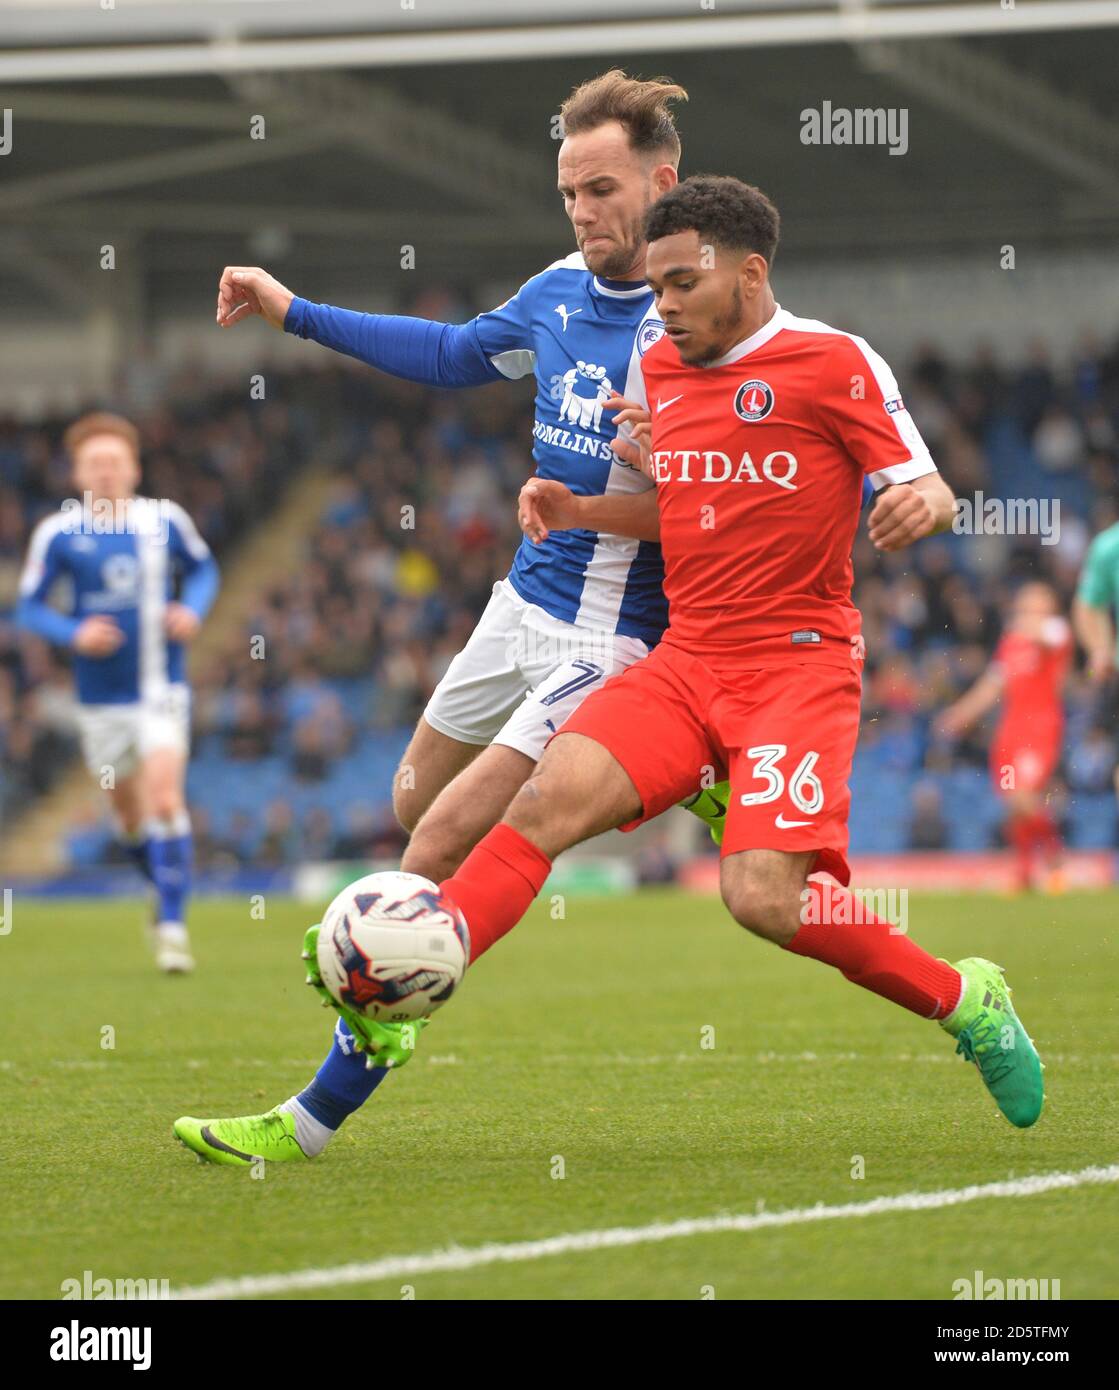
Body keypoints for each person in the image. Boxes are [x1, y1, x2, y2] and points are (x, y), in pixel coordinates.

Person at [176, 70, 734, 1164]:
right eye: (570, 190)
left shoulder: (701, 322)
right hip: (521, 602)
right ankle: (690, 783)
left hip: (612, 631)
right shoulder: (558, 289)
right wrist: (293, 310)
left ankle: (315, 1113)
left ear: (664, 183)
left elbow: (736, 500)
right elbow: (443, 356)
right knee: (410, 800)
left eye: (604, 189)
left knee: (436, 847)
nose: (583, 210)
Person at [423, 176, 1041, 1130]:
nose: (661, 307)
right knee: (539, 803)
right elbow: (682, 506)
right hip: (684, 658)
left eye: (678, 285)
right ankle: (426, 950)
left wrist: (928, 503)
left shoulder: (834, 361)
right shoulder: (661, 369)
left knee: (761, 899)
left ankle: (967, 1003)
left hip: (797, 665)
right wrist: (583, 504)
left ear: (747, 275)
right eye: (656, 287)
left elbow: (922, 483)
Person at [17, 412, 219, 971]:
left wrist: (191, 610)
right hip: (100, 703)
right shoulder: (57, 533)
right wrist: (73, 631)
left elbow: (203, 571)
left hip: (161, 691)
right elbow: (29, 606)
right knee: (128, 819)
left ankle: (173, 929)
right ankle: (162, 889)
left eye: (114, 461)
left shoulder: (166, 521)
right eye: (93, 463)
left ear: (134, 467)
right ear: (76, 472)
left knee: (165, 801)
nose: (105, 471)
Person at [939, 582, 1072, 891]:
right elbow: (992, 685)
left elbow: (1049, 635)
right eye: (1025, 599)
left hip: (1040, 729)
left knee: (1022, 797)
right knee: (1012, 804)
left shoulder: (1055, 631)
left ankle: (1055, 855)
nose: (1029, 604)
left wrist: (1023, 623)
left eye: (1036, 599)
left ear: (1049, 604)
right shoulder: (1011, 643)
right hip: (1010, 732)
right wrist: (960, 713)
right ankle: (1024, 873)